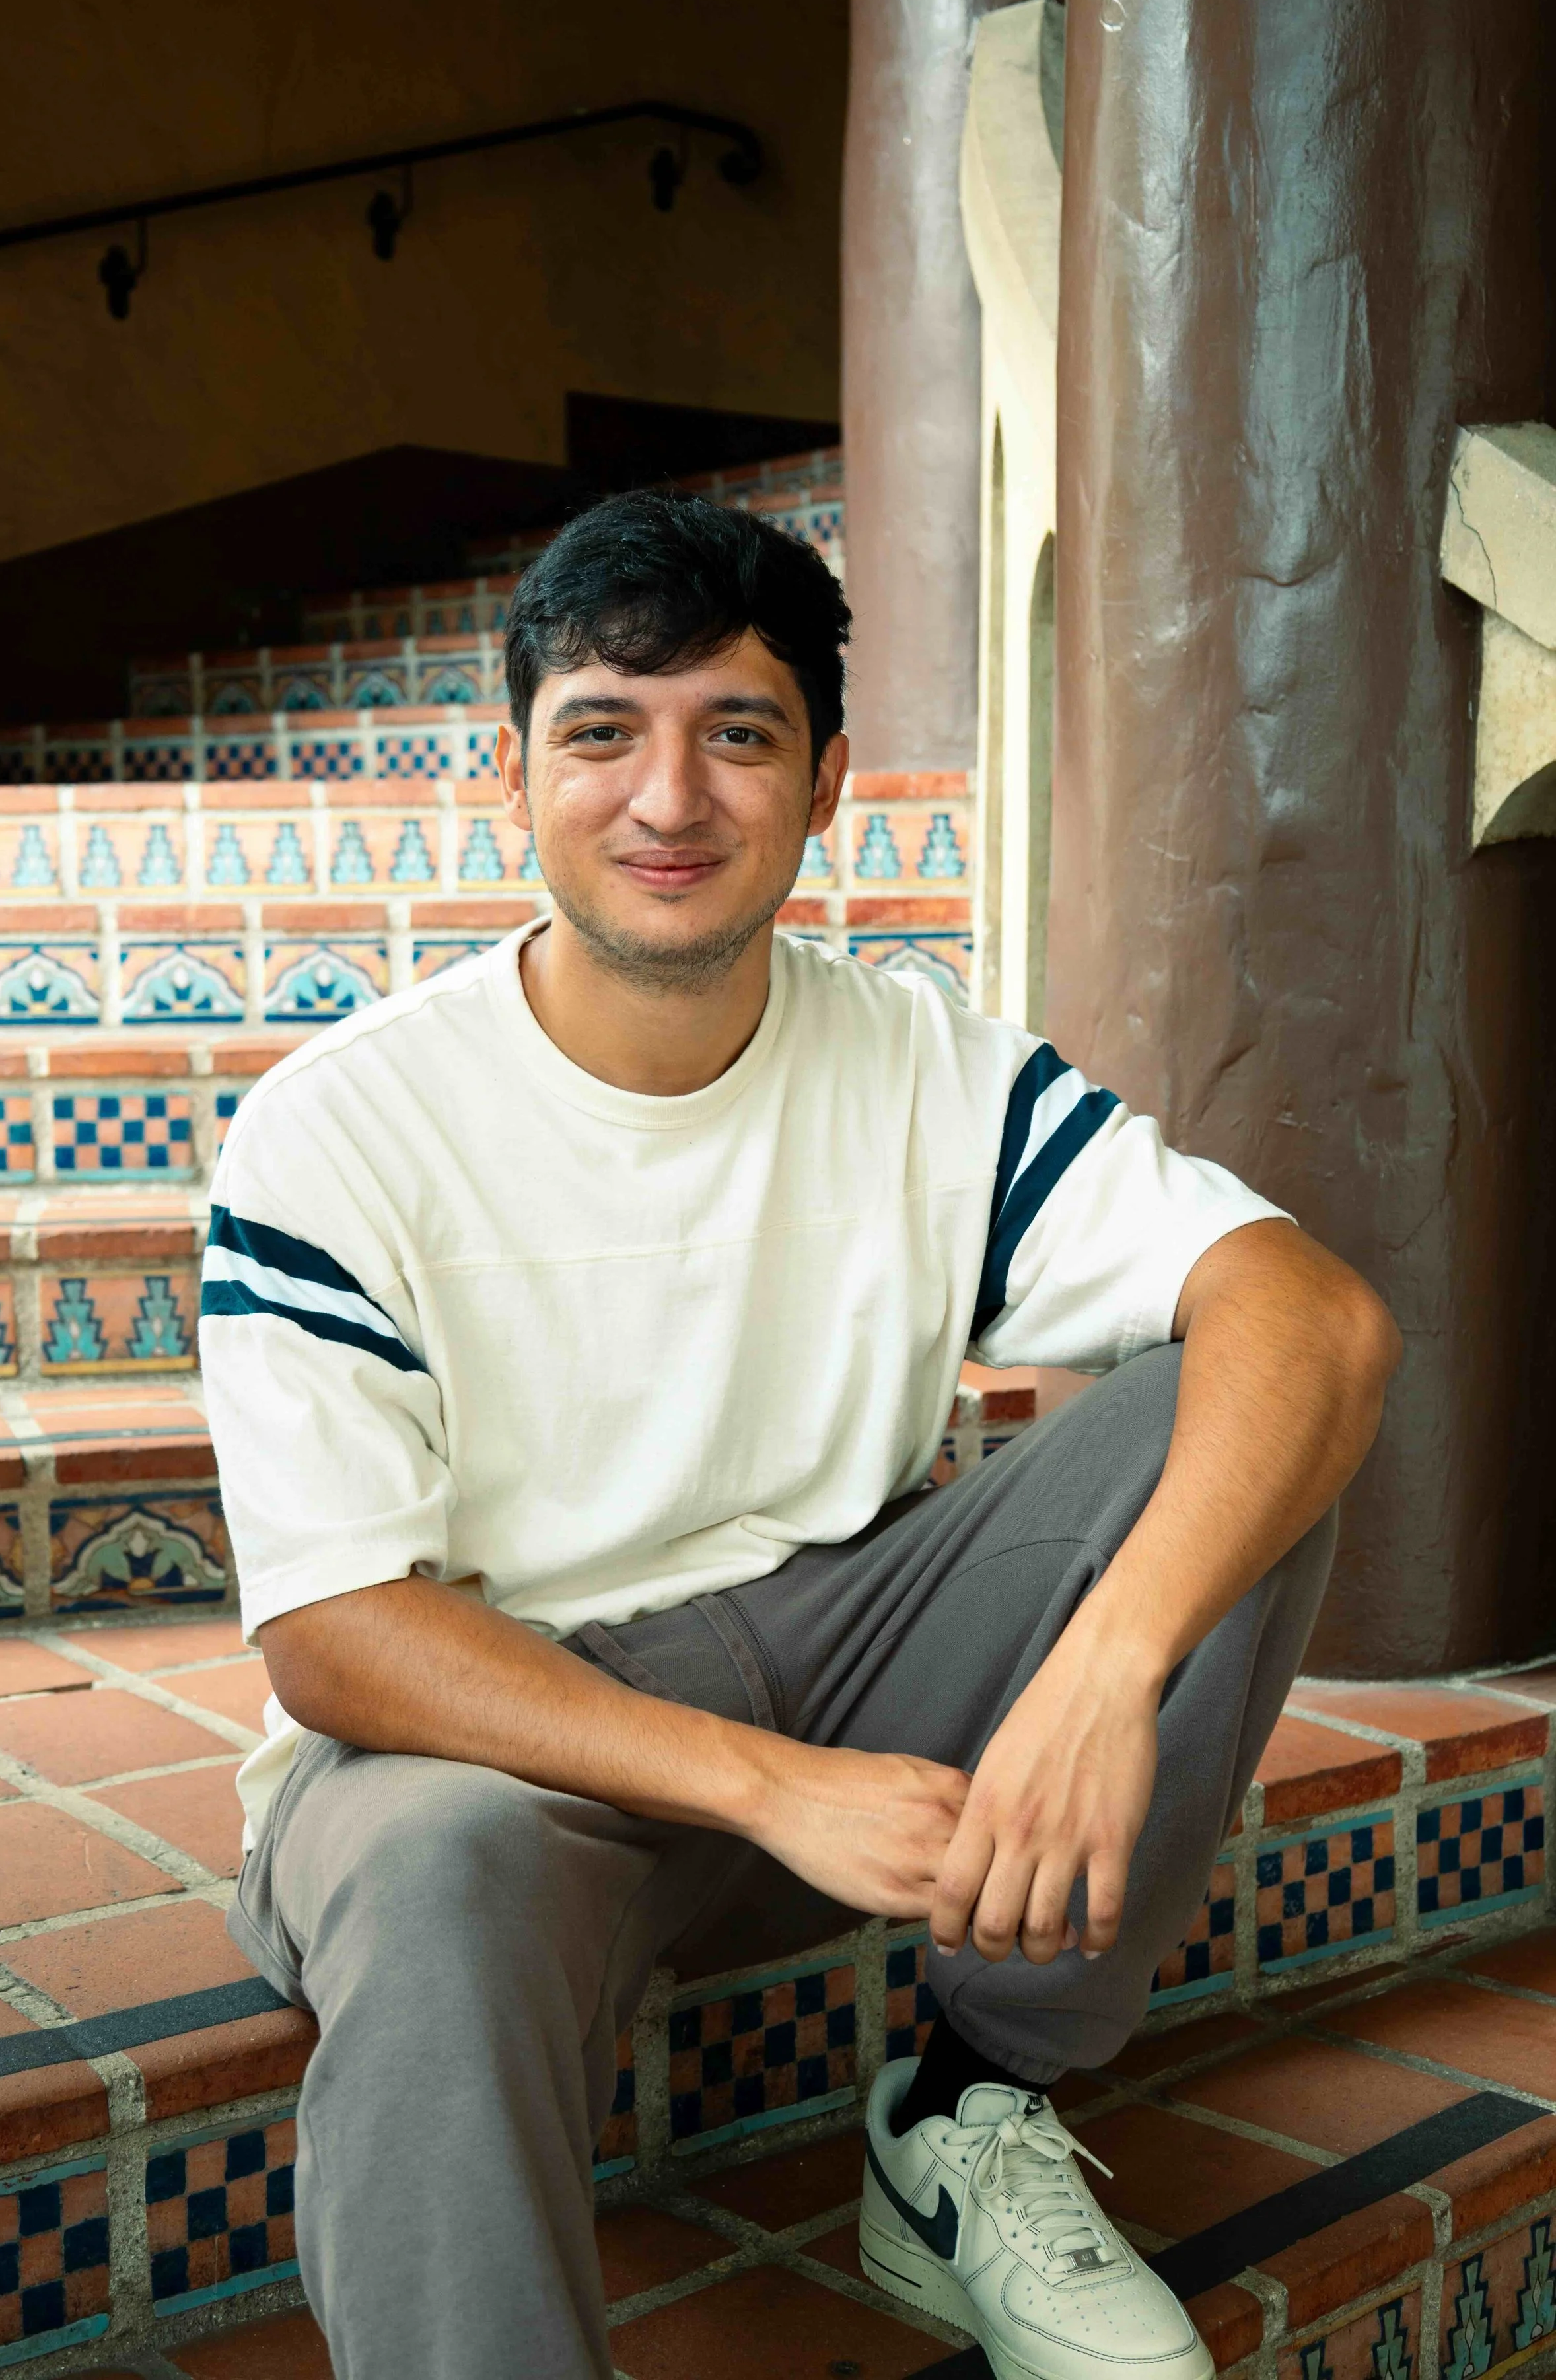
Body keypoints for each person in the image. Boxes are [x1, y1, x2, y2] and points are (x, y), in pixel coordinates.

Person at [200, 490, 1399, 2380]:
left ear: (827, 777)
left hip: (832, 1656)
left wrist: (1102, 1672)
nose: (666, 798)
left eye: (735, 733)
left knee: (1235, 1415)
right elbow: (334, 1630)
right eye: (603, 729)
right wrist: (762, 1784)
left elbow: (1310, 1318)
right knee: (434, 1876)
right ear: (509, 774)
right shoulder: (341, 1129)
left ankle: (965, 2110)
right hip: (492, 1753)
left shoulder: (923, 1066)